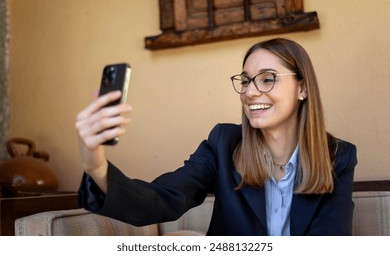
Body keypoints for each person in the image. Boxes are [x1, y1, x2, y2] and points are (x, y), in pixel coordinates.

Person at [76, 38, 357, 236]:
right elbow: (160, 199)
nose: (250, 92)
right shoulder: (224, 143)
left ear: (302, 89)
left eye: (267, 78)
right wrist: (94, 162)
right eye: (246, 80)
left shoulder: (338, 157)